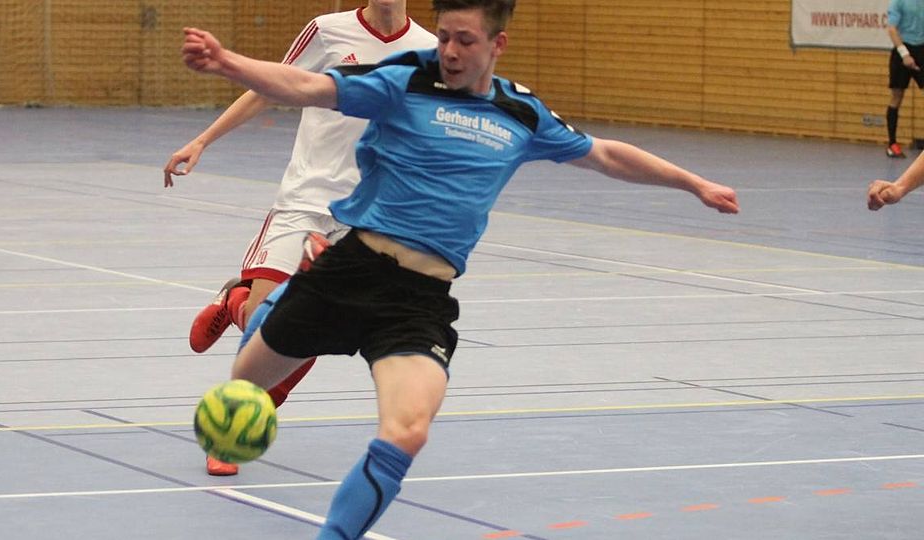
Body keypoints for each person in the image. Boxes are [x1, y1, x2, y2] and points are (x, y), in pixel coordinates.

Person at [182, 0, 739, 537]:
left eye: (464, 40)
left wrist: (693, 183)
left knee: (407, 432)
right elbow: (308, 87)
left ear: (498, 44)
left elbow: (605, 154)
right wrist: (227, 62)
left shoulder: (520, 112)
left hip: (418, 301)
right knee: (244, 385)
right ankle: (268, 300)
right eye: (444, 36)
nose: (448, 50)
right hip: (348, 271)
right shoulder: (406, 79)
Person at [164, 1, 436, 476]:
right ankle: (236, 303)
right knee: (261, 327)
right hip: (305, 201)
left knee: (307, 331)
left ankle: (231, 433)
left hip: (365, 214)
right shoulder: (327, 31)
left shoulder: (429, 50)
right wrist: (202, 140)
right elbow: (267, 88)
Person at [885, 0, 924, 158]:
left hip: (921, 49)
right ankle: (892, 144)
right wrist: (905, 54)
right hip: (902, 50)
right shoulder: (898, 2)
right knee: (897, 96)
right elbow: (892, 29)